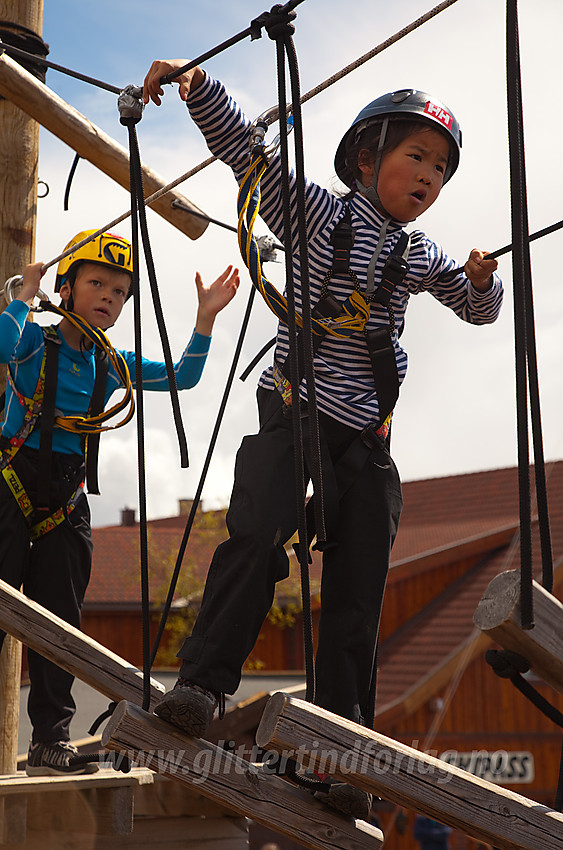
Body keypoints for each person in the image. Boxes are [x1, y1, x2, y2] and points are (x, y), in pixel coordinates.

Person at [142, 61, 503, 819]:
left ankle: (338, 750)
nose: (428, 177)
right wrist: (198, 84)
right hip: (294, 410)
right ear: (365, 159)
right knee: (256, 539)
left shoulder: (421, 254)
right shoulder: (312, 214)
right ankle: (203, 686)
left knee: (358, 585)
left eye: (439, 169)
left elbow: (475, 313)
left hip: (364, 437)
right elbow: (246, 152)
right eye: (415, 158)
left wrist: (479, 282)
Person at [0, 229, 239, 775]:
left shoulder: (111, 363)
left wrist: (203, 321)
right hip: (10, 484)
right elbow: (1, 348)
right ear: (66, 289)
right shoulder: (35, 341)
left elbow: (185, 376)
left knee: (59, 623)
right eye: (96, 283)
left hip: (65, 496)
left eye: (118, 291)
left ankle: (48, 739)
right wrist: (20, 295)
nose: (108, 295)